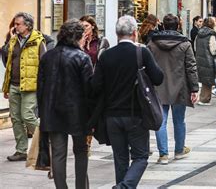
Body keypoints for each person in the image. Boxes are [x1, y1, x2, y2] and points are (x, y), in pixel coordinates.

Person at [89, 15, 164, 188]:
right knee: (141, 156)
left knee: (120, 158)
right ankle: (123, 187)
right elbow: (158, 78)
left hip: (112, 116)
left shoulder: (106, 56)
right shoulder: (141, 52)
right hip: (136, 114)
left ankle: (122, 185)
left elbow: (95, 85)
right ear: (135, 33)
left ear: (117, 34)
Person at [37, 19, 93, 189]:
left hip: (52, 112)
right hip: (77, 113)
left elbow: (40, 88)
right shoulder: (82, 57)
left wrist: (42, 112)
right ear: (77, 37)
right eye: (83, 36)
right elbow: (89, 90)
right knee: (81, 152)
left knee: (58, 154)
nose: (84, 40)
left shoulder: (47, 56)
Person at [148, 14, 199, 164]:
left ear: (163, 26)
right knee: (179, 120)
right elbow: (191, 67)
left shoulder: (152, 43)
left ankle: (163, 154)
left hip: (159, 87)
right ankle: (179, 150)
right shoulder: (185, 44)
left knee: (161, 121)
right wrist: (194, 88)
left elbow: (147, 66)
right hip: (180, 86)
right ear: (177, 26)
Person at [2, 12, 46, 161]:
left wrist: (43, 86)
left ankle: (44, 141)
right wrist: (6, 87)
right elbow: (7, 62)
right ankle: (21, 150)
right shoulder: (14, 40)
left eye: (18, 24)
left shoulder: (39, 41)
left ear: (27, 25)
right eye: (15, 24)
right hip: (14, 85)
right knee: (15, 118)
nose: (15, 26)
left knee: (27, 115)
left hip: (31, 86)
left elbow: (44, 64)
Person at [195, 17, 216, 105]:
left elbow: (195, 47)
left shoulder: (199, 34)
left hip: (200, 59)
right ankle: (204, 99)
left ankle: (203, 98)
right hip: (208, 60)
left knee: (204, 80)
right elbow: (213, 50)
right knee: (208, 80)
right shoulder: (211, 34)